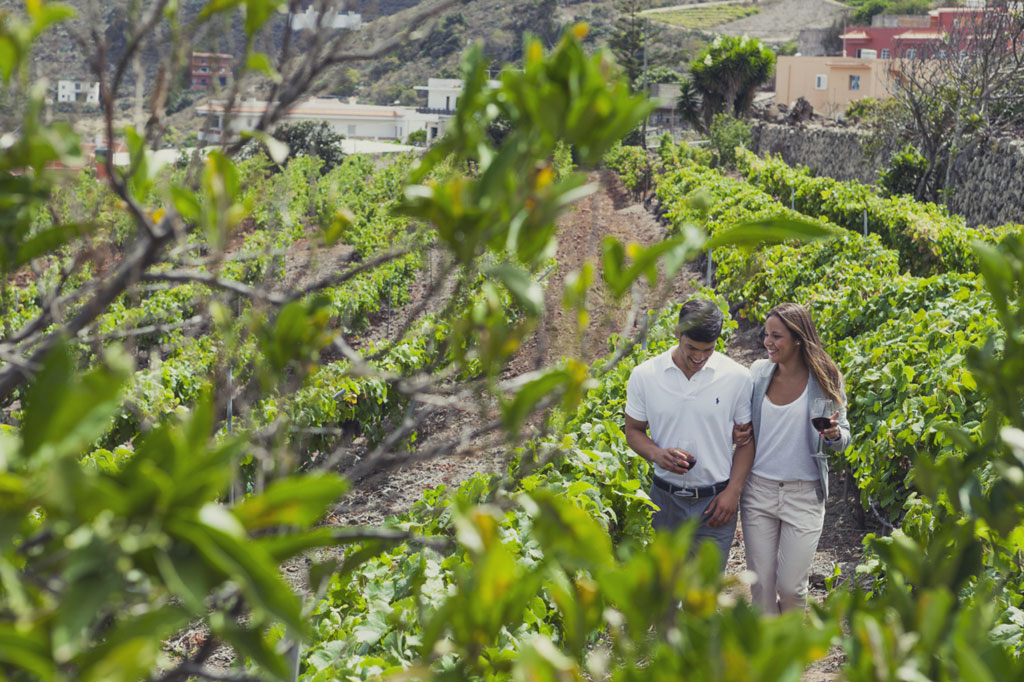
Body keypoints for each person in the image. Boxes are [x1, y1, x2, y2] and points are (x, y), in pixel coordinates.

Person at [735, 301, 851, 614]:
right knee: (762, 588)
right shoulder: (759, 374)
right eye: (766, 335)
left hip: (804, 494)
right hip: (759, 491)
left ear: (798, 339)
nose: (767, 343)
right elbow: (742, 422)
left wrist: (834, 436)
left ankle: (790, 653)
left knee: (790, 589)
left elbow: (844, 440)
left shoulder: (826, 377)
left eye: (777, 337)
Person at [624, 298, 755, 569]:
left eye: (707, 350)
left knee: (704, 598)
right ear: (677, 333)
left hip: (716, 505)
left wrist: (733, 492)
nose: (698, 357)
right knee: (664, 595)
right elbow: (633, 431)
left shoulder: (737, 378)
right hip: (665, 502)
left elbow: (746, 441)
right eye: (691, 348)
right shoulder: (645, 376)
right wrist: (658, 455)